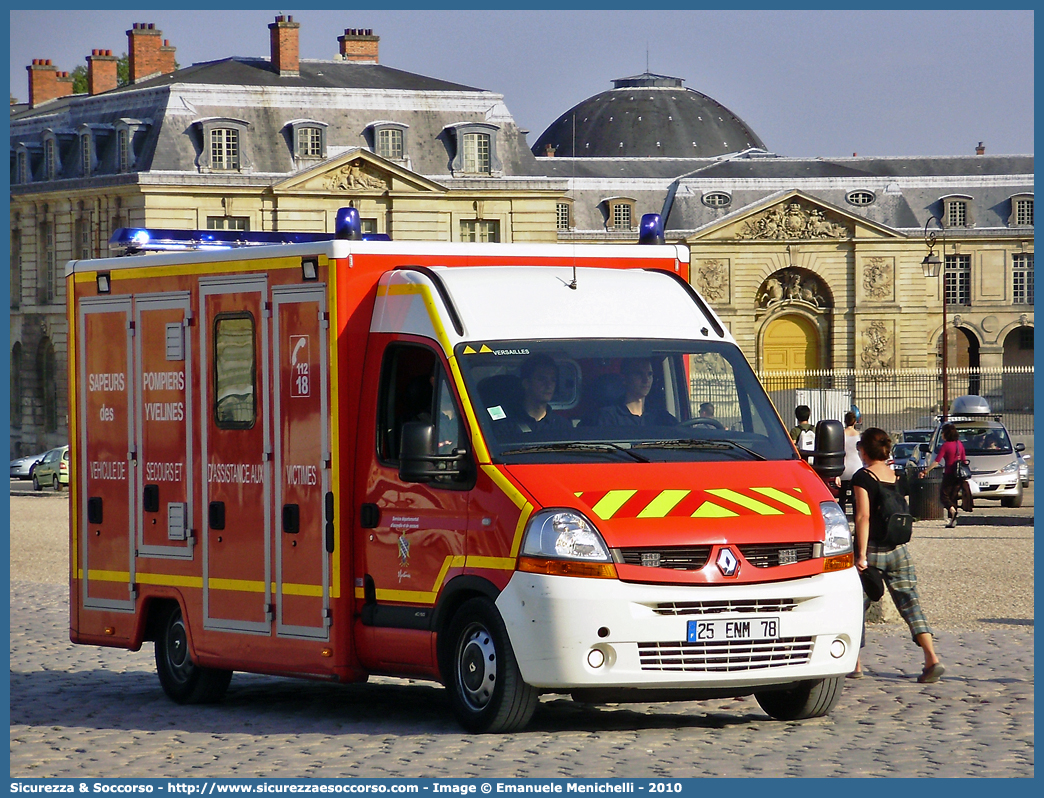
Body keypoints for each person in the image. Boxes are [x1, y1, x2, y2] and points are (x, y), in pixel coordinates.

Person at [852, 427, 944, 683]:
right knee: (910, 602)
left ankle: (855, 663)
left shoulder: (863, 477)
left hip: (872, 550)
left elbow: (863, 516)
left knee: (855, 606)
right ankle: (931, 657)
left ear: (864, 450)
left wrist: (860, 555)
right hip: (899, 549)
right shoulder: (894, 475)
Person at [597, 357, 677, 426]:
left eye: (649, 374)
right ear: (625, 379)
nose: (646, 380)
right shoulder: (608, 417)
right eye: (639, 374)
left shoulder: (661, 416)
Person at [921, 422, 969, 527]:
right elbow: (964, 460)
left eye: (942, 432)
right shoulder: (959, 444)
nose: (942, 434)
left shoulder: (946, 446)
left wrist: (926, 471)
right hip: (959, 475)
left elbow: (936, 461)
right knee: (953, 496)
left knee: (944, 496)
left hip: (949, 474)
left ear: (946, 434)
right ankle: (953, 520)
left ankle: (952, 511)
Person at [516, 353, 570, 434]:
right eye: (541, 379)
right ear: (526, 383)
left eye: (553, 380)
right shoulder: (508, 425)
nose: (549, 385)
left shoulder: (562, 425)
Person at [838, 410, 862, 514]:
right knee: (855, 495)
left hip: (844, 465)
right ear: (855, 422)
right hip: (857, 465)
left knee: (842, 495)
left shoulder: (841, 434)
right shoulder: (859, 435)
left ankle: (842, 513)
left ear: (845, 421)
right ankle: (856, 515)